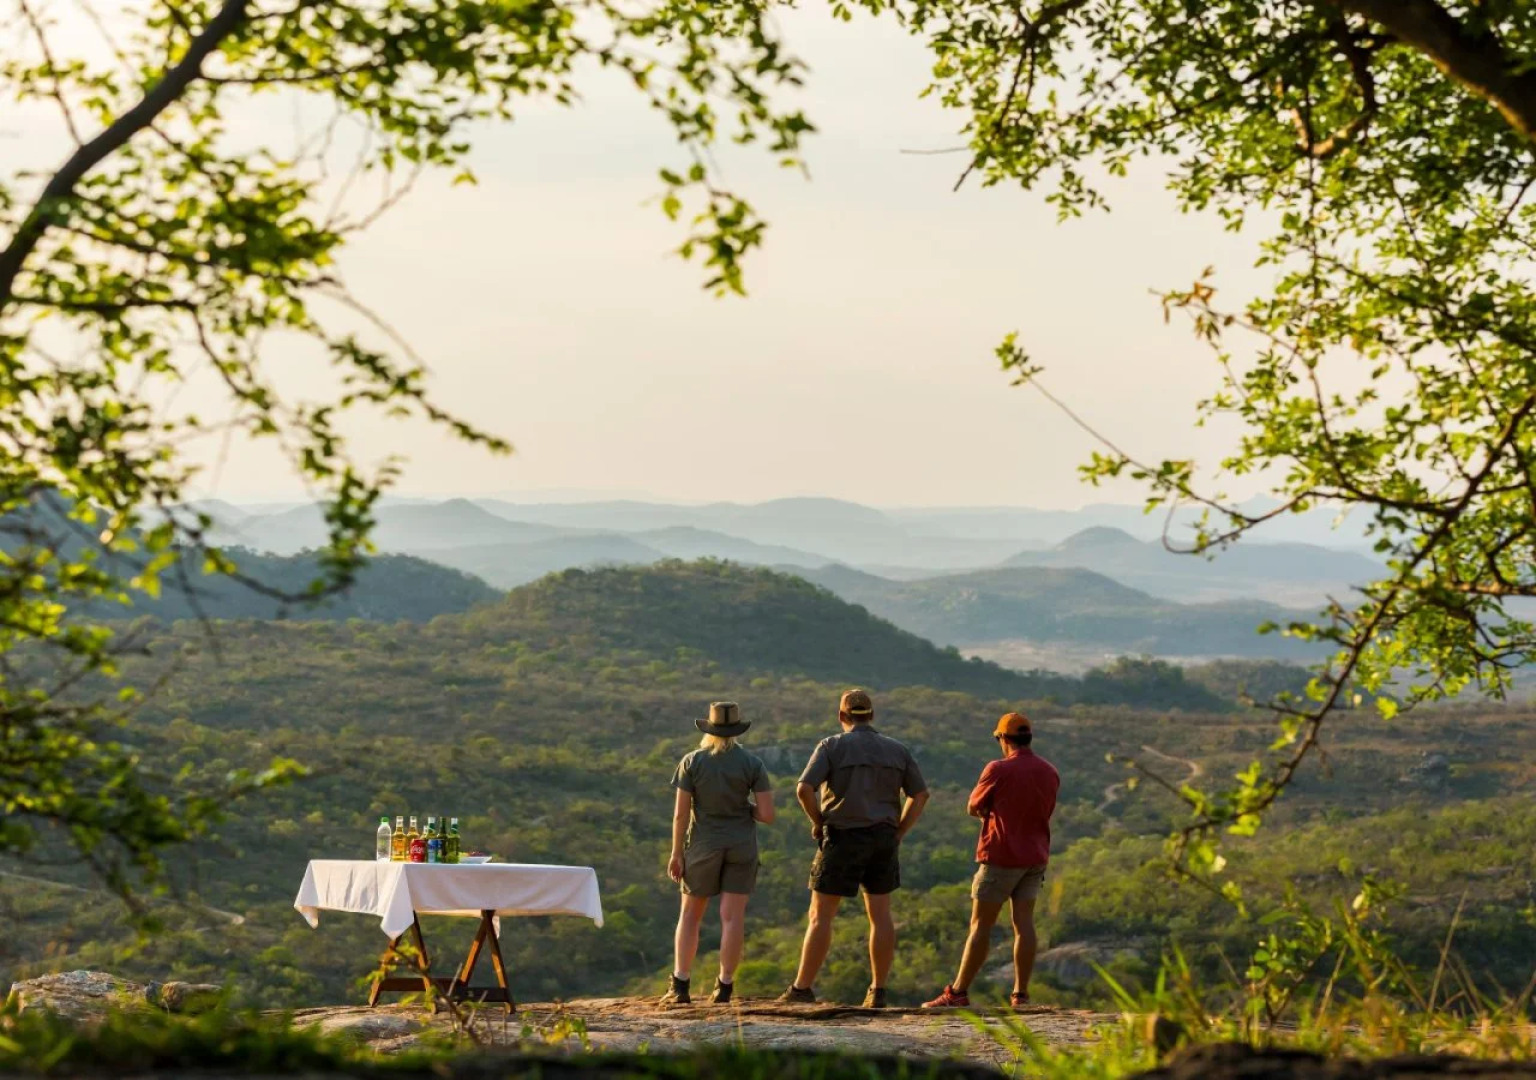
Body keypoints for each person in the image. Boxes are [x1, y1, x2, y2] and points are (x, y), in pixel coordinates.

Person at [778, 688, 929, 1008]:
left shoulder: (831, 746)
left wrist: (817, 821)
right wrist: (900, 830)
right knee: (881, 915)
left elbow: (804, 788)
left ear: (842, 716)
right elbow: (921, 795)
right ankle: (878, 990)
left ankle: (802, 988)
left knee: (821, 916)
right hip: (883, 838)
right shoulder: (897, 750)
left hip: (843, 836)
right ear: (871, 715)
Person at [922, 711, 1058, 1010]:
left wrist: (991, 813)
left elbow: (973, 806)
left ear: (1004, 739)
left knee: (980, 926)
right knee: (1024, 925)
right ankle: (1020, 995)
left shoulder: (998, 769)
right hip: (1035, 857)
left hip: (1000, 856)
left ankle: (957, 993)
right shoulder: (1049, 771)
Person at [661, 701, 775, 1006]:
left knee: (690, 915)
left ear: (709, 729)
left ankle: (681, 985)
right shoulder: (752, 764)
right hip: (741, 846)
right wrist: (742, 808)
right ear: (737, 730)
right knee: (732, 918)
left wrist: (676, 853)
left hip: (702, 846)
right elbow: (766, 814)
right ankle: (724, 987)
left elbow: (680, 815)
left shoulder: (692, 762)